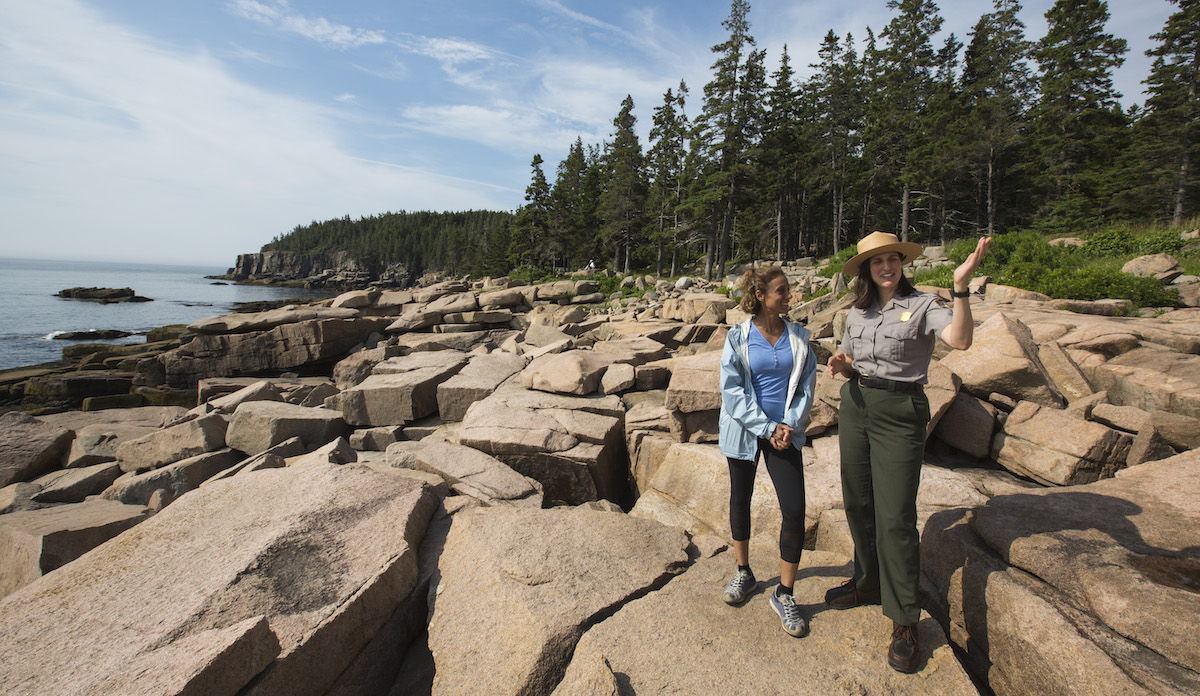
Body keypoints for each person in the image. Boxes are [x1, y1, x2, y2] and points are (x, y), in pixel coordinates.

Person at [825, 231, 989, 673]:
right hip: (857, 405)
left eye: (893, 259)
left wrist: (960, 288)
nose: (886, 267)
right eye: (877, 262)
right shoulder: (857, 312)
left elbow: (959, 339)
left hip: (901, 409)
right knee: (859, 503)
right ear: (865, 269)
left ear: (902, 263)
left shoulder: (922, 305)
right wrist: (842, 365)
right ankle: (868, 582)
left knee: (895, 515)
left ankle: (904, 620)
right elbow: (849, 356)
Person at [718, 265, 817, 638]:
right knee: (739, 499)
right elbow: (732, 391)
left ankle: (785, 593)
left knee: (794, 509)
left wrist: (788, 425)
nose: (789, 296)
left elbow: (807, 385)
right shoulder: (738, 336)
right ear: (760, 296)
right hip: (747, 430)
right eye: (782, 291)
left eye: (788, 290)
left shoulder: (799, 337)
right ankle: (744, 572)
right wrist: (765, 426)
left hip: (786, 433)